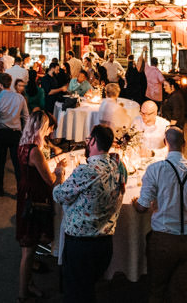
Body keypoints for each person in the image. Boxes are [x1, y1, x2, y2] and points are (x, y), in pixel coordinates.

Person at [133, 127, 187, 303]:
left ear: (165, 143)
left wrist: (134, 201)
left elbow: (141, 207)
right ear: (184, 144)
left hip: (164, 241)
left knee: (157, 290)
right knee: (182, 293)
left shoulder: (155, 170)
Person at [52, 125, 126, 303]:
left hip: (81, 246)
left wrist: (59, 176)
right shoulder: (119, 167)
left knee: (77, 294)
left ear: (93, 141)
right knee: (88, 289)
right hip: (105, 243)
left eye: (87, 140)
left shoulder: (87, 171)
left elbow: (59, 195)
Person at [16, 110, 65, 301]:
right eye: (48, 129)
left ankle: (29, 284)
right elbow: (50, 180)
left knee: (30, 245)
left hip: (26, 193)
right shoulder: (35, 151)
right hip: (35, 198)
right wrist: (60, 170)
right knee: (29, 249)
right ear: (42, 128)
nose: (49, 133)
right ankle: (22, 293)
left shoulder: (23, 144)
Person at [0, 73, 29, 196]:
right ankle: (20, 191)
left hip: (1, 133)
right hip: (15, 133)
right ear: (10, 82)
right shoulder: (19, 98)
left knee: (0, 163)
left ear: (0, 84)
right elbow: (26, 117)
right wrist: (25, 133)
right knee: (17, 164)